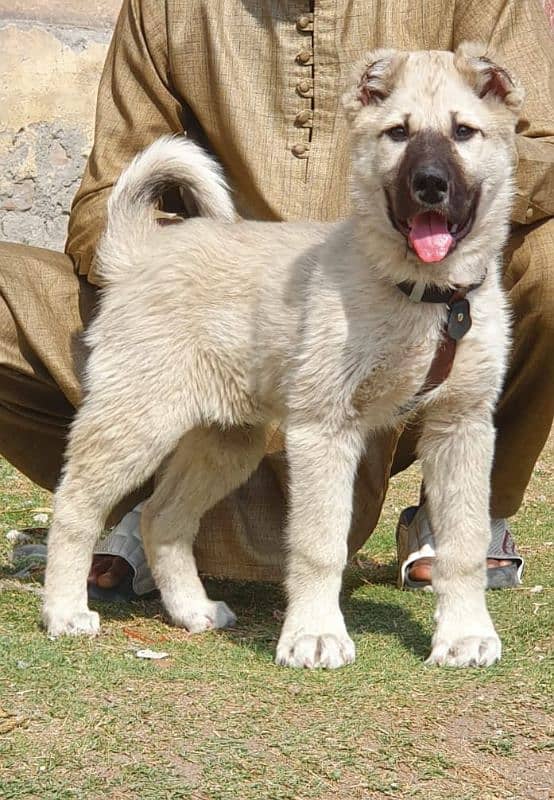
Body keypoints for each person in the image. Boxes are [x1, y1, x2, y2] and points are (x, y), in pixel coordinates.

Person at [1, 0, 552, 600]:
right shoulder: (164, 9)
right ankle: (146, 502)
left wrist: (437, 178)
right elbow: (106, 194)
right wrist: (198, 270)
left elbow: (542, 147)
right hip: (220, 310)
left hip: (407, 340)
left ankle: (451, 523)